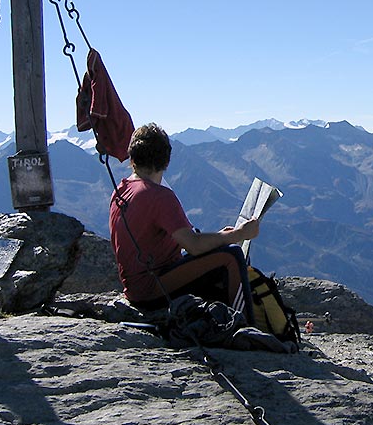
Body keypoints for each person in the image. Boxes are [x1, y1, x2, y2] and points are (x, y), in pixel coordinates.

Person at [109, 123, 260, 315]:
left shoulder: (121, 191)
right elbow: (194, 245)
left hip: (136, 287)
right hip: (153, 287)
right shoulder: (158, 196)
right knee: (231, 256)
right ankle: (246, 327)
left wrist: (221, 236)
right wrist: (239, 234)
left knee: (218, 253)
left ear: (132, 158)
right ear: (166, 160)